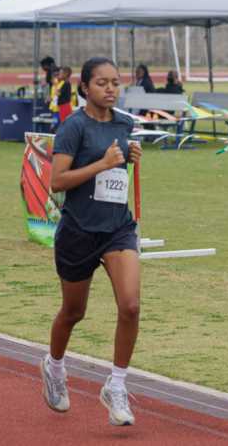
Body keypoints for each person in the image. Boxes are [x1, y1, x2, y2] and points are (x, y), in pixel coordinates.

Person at [40, 56, 143, 427]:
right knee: (73, 312)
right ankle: (54, 367)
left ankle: (116, 386)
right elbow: (57, 182)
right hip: (79, 231)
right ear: (85, 88)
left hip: (117, 228)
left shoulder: (125, 123)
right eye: (102, 83)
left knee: (130, 306)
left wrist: (129, 159)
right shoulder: (73, 127)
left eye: (116, 82)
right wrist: (102, 163)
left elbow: (116, 176)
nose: (111, 89)